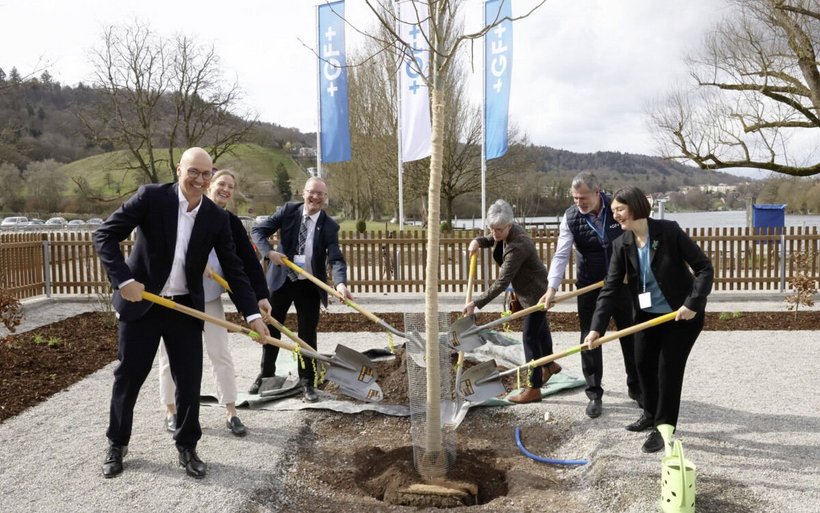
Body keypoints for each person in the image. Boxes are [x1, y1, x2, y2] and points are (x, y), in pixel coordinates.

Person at [94, 147, 270, 479]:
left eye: (206, 174)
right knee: (129, 377)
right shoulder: (151, 198)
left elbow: (234, 269)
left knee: (188, 380)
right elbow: (104, 234)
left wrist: (252, 315)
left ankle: (187, 447)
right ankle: (117, 443)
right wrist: (123, 281)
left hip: (184, 307)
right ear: (179, 170)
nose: (200, 180)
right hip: (141, 304)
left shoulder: (215, 218)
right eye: (194, 172)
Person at [583, 186, 713, 453]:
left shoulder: (669, 232)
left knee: (667, 371)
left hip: (681, 317)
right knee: (642, 364)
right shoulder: (623, 244)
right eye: (614, 210)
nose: (615, 215)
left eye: (619, 209)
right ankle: (650, 414)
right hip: (647, 317)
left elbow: (704, 268)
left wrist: (692, 303)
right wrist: (596, 329)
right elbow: (609, 289)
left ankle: (663, 429)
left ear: (635, 207)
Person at [158, 168, 271, 437]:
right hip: (178, 299)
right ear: (209, 185)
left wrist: (260, 297)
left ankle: (231, 411)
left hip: (209, 300)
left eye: (231, 186)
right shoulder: (184, 213)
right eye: (221, 183)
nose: (226, 189)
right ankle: (171, 409)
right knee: (169, 357)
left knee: (220, 353)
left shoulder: (229, 221)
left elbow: (247, 264)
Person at [539, 172, 641, 419]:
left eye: (583, 198)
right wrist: (552, 287)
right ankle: (594, 393)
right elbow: (562, 254)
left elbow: (640, 239)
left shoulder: (619, 208)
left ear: (598, 192)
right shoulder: (571, 217)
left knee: (632, 336)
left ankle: (637, 389)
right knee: (590, 339)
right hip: (590, 286)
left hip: (623, 284)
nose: (579, 203)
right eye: (575, 198)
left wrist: (634, 270)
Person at [250, 176, 352, 402]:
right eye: (311, 192)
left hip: (309, 284)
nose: (315, 197)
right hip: (281, 280)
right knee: (272, 327)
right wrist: (269, 252)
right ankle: (266, 374)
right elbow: (257, 231)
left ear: (325, 199)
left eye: (320, 194)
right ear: (303, 193)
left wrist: (341, 283)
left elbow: (335, 259)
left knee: (307, 333)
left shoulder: (329, 225)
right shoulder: (288, 211)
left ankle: (307, 382)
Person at [464, 199, 560, 404]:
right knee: (540, 331)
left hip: (536, 293)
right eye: (492, 228)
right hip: (528, 289)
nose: (495, 233)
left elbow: (501, 282)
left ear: (510, 225)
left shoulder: (519, 245)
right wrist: (478, 241)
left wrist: (476, 303)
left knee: (530, 338)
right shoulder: (505, 231)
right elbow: (492, 239)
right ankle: (550, 365)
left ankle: (533, 388)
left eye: (499, 229)